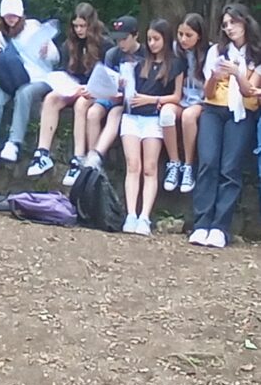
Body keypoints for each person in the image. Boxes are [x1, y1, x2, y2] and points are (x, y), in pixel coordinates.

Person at [189, 4, 261, 249]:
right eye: (226, 24)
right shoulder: (216, 51)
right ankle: (201, 224)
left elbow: (250, 91)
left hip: (241, 112)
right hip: (213, 110)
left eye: (234, 22)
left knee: (230, 168)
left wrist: (237, 73)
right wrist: (214, 76)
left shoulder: (256, 54)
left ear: (245, 22)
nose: (230, 28)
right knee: (208, 162)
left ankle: (220, 227)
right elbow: (207, 93)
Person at [0, 0, 59, 171]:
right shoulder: (1, 36)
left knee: (24, 93)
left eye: (14, 15)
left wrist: (47, 51)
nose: (11, 19)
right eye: (7, 16)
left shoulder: (34, 28)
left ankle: (14, 143)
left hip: (39, 78)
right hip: (14, 78)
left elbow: (55, 58)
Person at [25, 3, 111, 183]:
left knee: (81, 104)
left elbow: (107, 77)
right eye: (76, 26)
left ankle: (78, 158)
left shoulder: (104, 44)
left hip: (94, 91)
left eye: (82, 26)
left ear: (91, 25)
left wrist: (89, 88)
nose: (79, 30)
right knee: (51, 99)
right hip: (74, 87)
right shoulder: (69, 44)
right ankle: (42, 153)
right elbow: (65, 72)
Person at [121, 18, 184, 237]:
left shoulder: (175, 64)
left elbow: (176, 96)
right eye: (149, 39)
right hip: (132, 117)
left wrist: (152, 100)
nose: (152, 43)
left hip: (153, 119)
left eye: (156, 39)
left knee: (150, 167)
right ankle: (131, 214)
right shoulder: (139, 63)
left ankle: (145, 216)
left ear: (165, 39)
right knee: (133, 165)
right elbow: (128, 93)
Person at [84, 15, 144, 176]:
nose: (121, 43)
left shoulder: (144, 54)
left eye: (124, 39)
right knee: (93, 113)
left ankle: (97, 154)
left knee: (115, 114)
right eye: (118, 40)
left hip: (132, 100)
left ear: (135, 35)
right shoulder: (112, 54)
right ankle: (91, 158)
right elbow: (106, 79)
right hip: (112, 96)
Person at [159, 13, 207, 194]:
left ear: (199, 36)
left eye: (188, 35)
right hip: (180, 98)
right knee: (166, 114)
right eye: (180, 34)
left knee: (188, 117)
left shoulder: (209, 52)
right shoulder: (174, 50)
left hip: (200, 100)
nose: (183, 39)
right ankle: (174, 163)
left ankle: (188, 165)